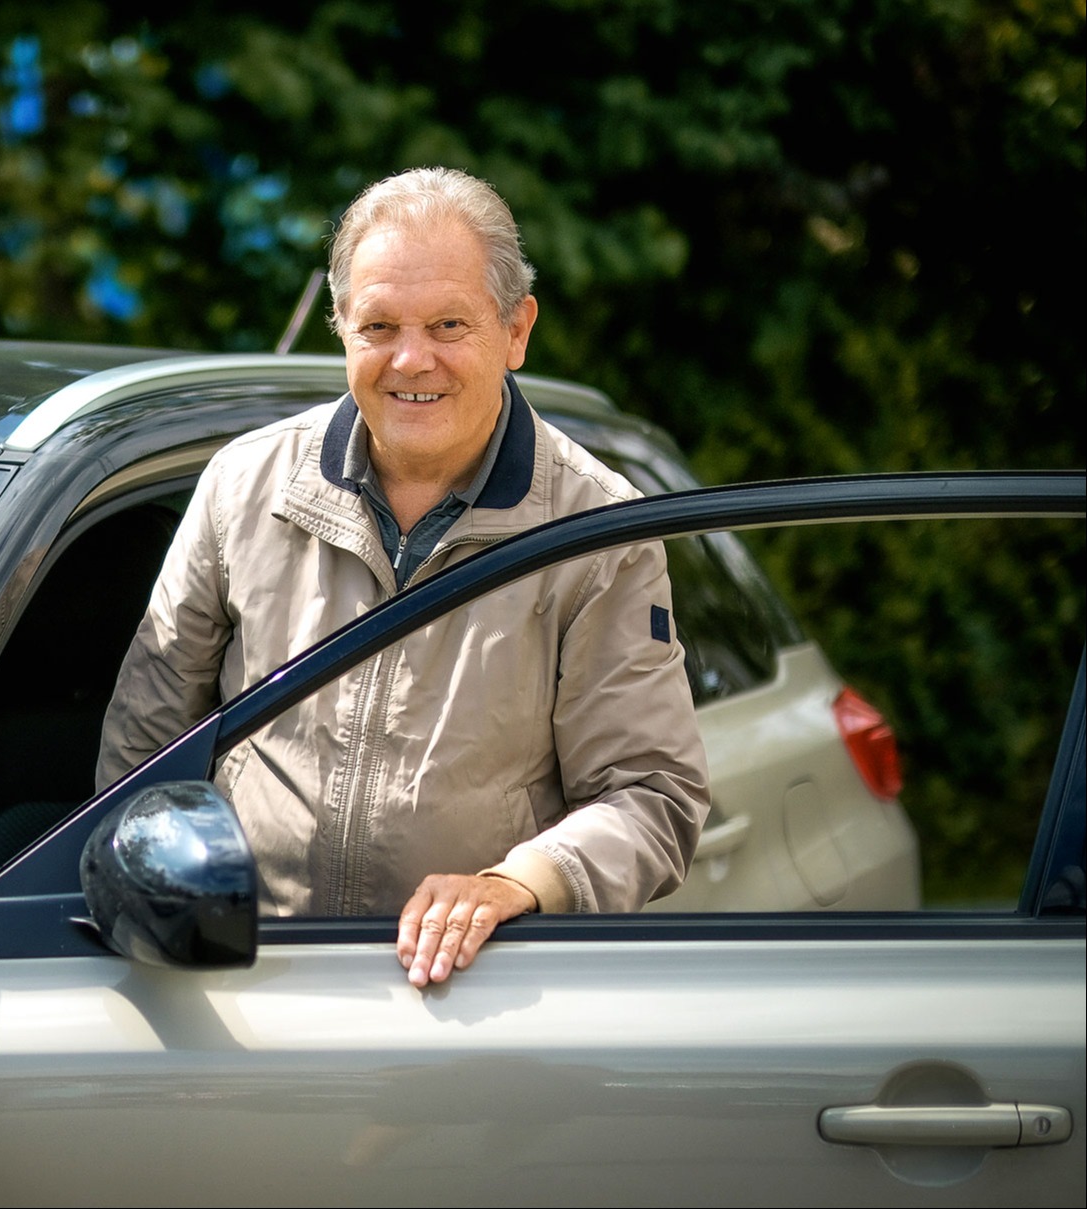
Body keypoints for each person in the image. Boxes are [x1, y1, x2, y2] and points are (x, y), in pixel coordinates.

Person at [96, 166, 709, 987]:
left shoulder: (598, 529)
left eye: (448, 323)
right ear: (341, 329)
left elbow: (650, 797)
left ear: (516, 330)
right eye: (378, 324)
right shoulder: (242, 485)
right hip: (242, 979)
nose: (410, 359)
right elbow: (143, 754)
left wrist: (515, 884)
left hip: (469, 999)